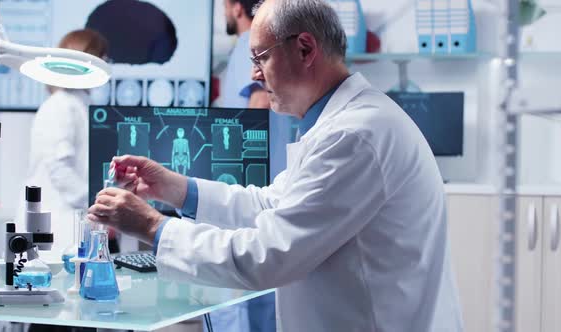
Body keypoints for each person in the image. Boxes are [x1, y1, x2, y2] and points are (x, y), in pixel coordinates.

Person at [89, 0, 463, 331]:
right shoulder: (338, 125)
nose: (253, 74)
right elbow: (271, 204)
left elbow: (268, 255)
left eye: (260, 57)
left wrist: (151, 226)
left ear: (304, 48)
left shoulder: (356, 134)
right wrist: (177, 188)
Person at [18, 29, 118, 254]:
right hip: (59, 225)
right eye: (102, 58)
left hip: (72, 221)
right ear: (87, 58)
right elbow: (59, 168)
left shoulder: (78, 104)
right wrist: (98, 207)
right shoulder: (61, 105)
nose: (106, 65)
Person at [218, 0, 277, 331]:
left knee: (243, 302)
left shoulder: (249, 46)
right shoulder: (257, 46)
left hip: (250, 190)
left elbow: (256, 111)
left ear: (233, 5)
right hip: (262, 190)